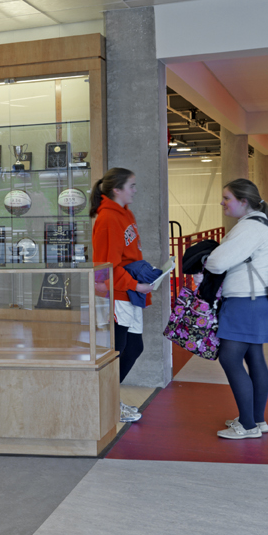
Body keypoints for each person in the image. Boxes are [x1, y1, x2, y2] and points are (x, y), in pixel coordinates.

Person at [203, 178, 268, 439]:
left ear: (243, 202)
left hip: (244, 303)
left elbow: (216, 263)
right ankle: (256, 420)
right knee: (254, 358)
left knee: (230, 358)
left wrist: (209, 257)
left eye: (227, 198)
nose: (222, 203)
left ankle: (247, 425)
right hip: (257, 302)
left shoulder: (250, 228)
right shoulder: (261, 225)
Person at [90, 167, 154, 424]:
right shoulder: (107, 218)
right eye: (132, 186)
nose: (135, 191)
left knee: (134, 346)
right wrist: (133, 285)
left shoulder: (124, 214)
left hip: (129, 291)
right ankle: (104, 401)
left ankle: (107, 398)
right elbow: (105, 265)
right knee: (117, 349)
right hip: (118, 293)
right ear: (117, 189)